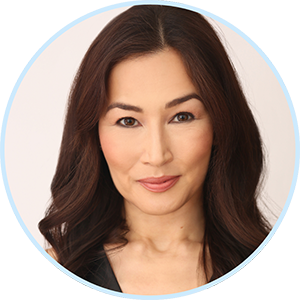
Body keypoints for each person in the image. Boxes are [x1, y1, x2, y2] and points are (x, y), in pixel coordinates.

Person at [39, 5, 271, 295]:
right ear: (93, 134)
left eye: (182, 117)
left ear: (220, 125)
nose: (157, 155)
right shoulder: (49, 276)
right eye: (128, 121)